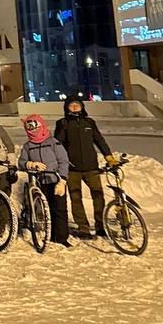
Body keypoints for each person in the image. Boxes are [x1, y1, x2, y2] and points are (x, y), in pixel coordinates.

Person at [54, 94, 119, 239]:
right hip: (72, 169)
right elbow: (58, 144)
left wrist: (109, 157)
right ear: (67, 107)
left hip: (91, 167)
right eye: (72, 105)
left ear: (82, 106)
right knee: (76, 198)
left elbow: (99, 140)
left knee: (98, 196)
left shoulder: (89, 122)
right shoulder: (63, 123)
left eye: (78, 104)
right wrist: (59, 163)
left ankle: (100, 226)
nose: (75, 107)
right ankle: (83, 227)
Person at [18, 114, 71, 247]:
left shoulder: (53, 142)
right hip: (40, 182)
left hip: (56, 180)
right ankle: (49, 234)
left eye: (35, 127)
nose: (33, 130)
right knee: (45, 209)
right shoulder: (27, 146)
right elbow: (21, 162)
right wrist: (31, 164)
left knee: (59, 209)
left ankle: (61, 237)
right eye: (30, 128)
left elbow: (63, 161)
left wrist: (63, 180)